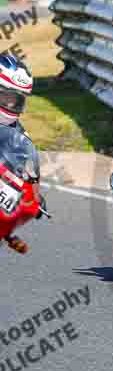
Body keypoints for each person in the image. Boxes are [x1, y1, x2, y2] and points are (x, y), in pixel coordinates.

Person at [0, 53, 37, 253]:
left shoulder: (18, 132)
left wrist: (32, 192)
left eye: (18, 100)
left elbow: (25, 165)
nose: (12, 104)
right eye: (7, 97)